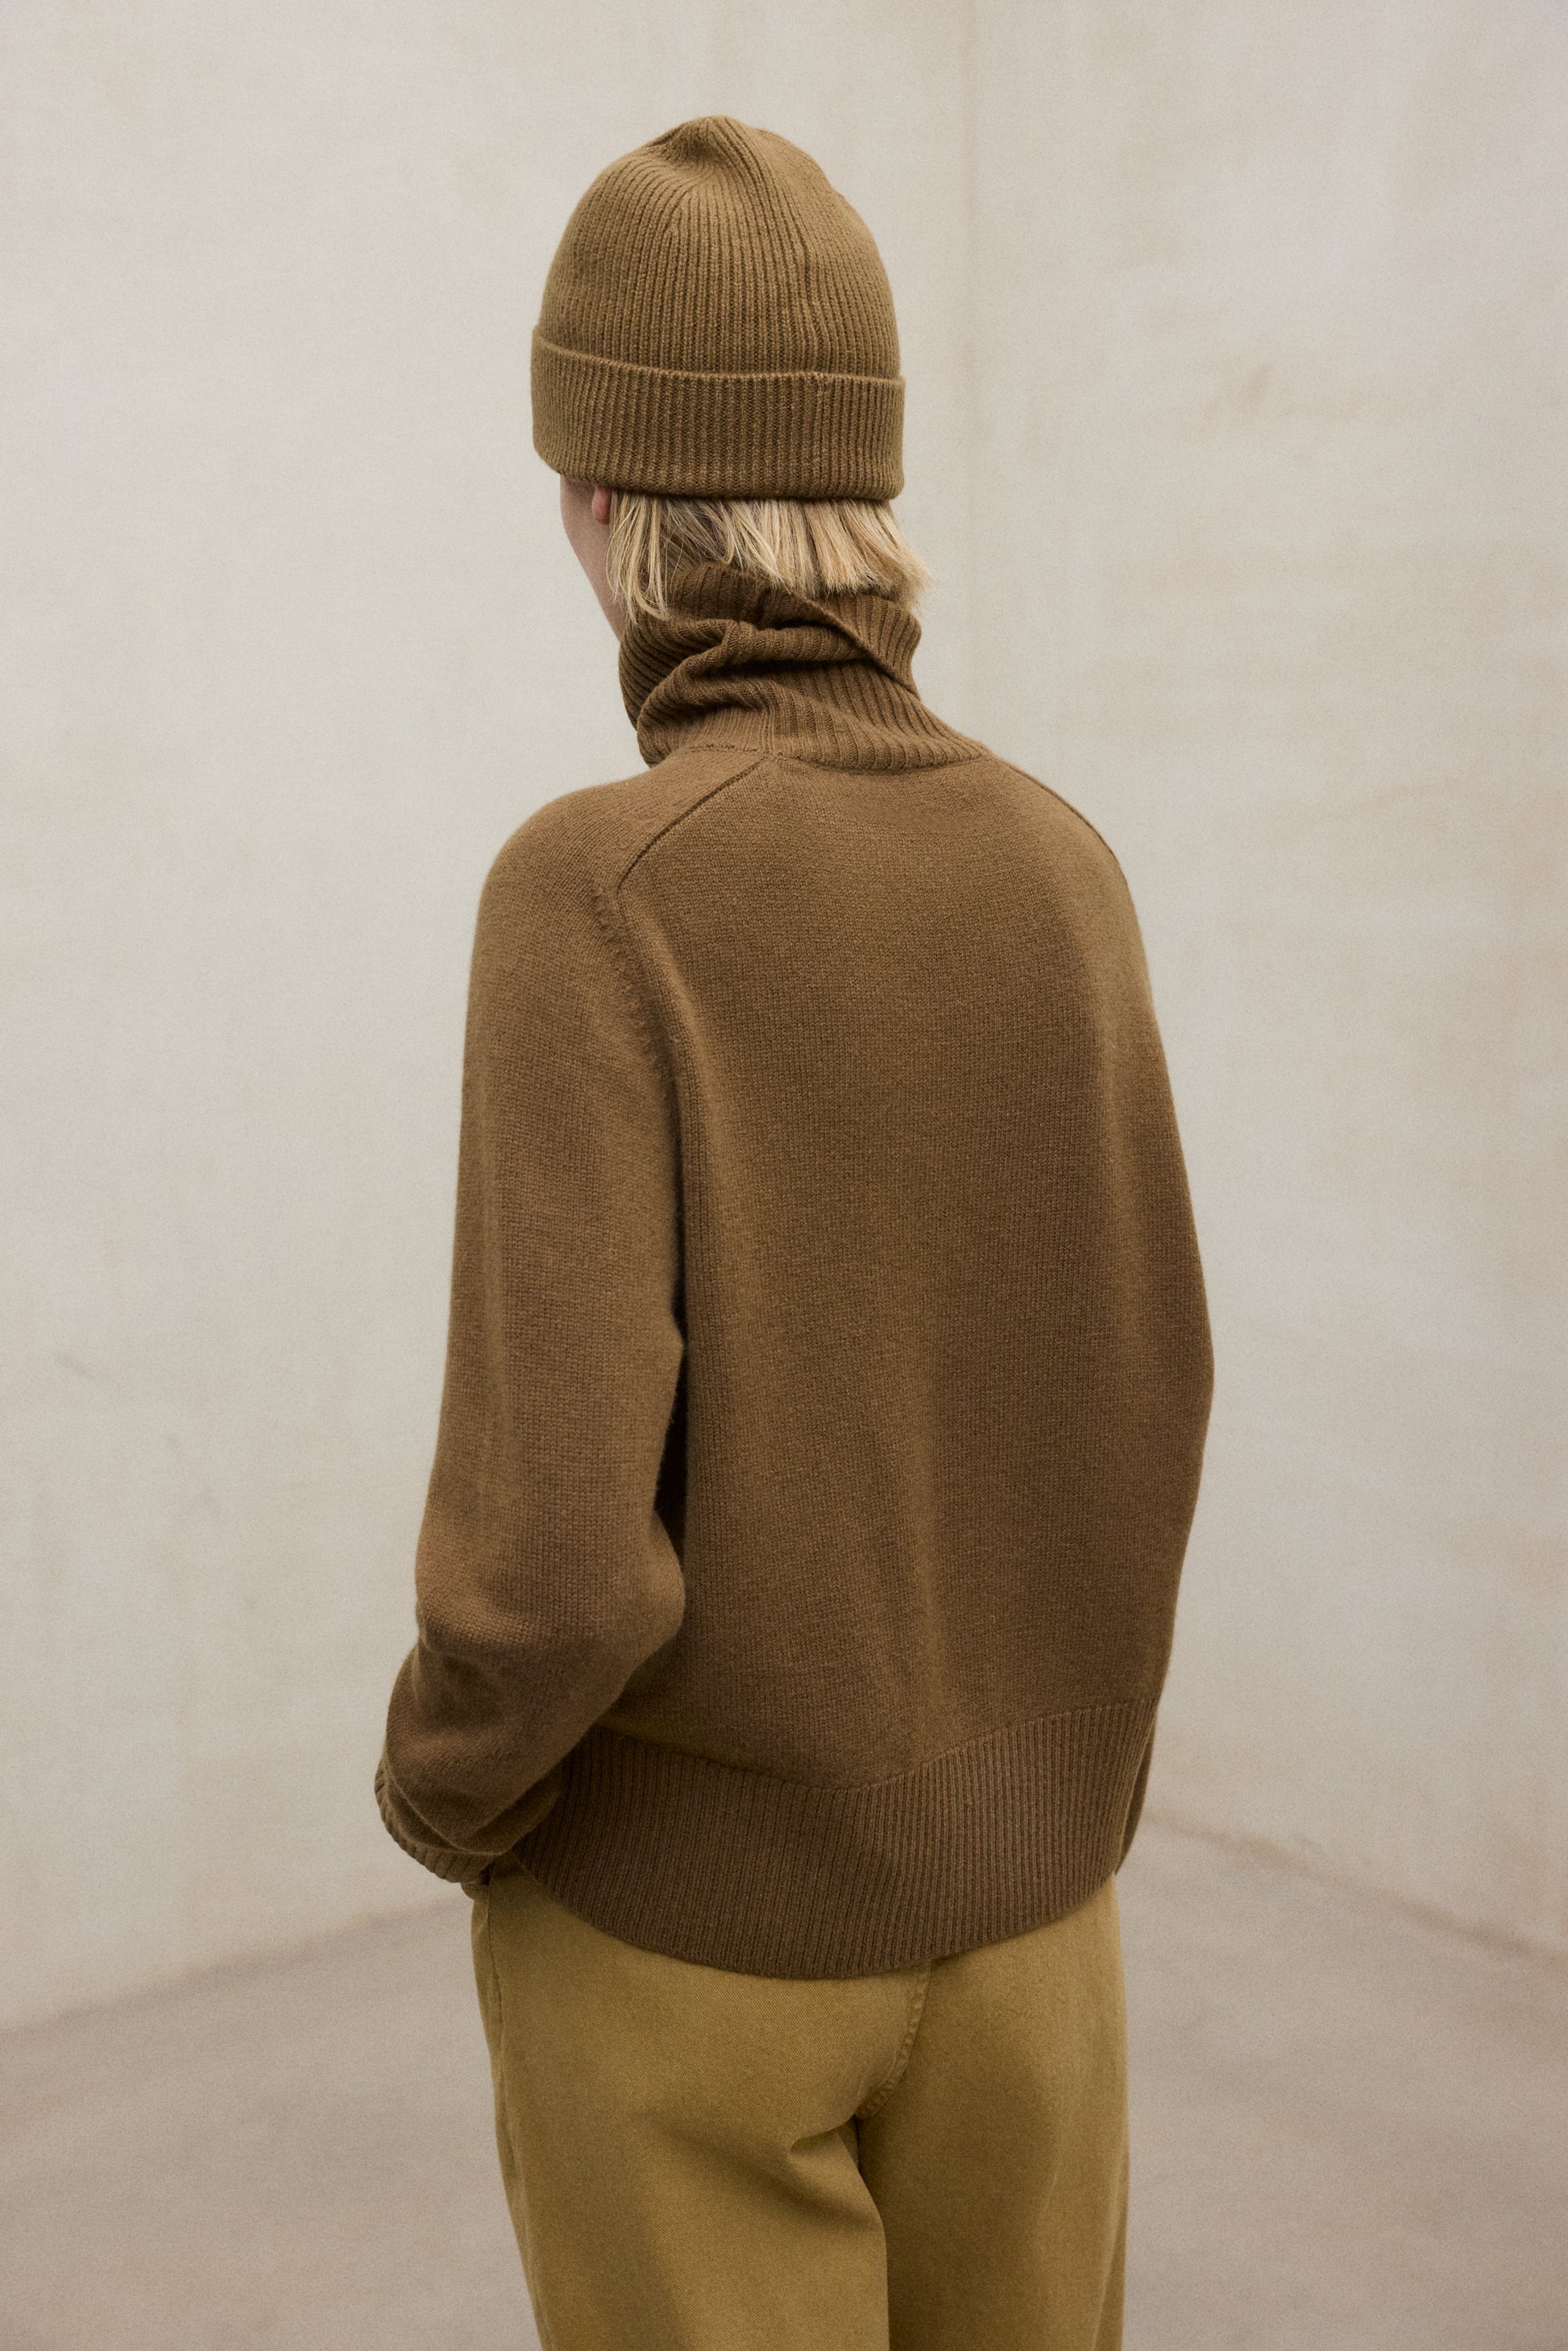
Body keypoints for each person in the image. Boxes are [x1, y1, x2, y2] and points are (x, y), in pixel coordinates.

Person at [375, 114, 1213, 2351]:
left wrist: (441, 1788)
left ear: (602, 498)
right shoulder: (1062, 864)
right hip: (1038, 1944)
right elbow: (1151, 1390)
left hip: (689, 1953)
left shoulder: (595, 890)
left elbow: (553, 1557)